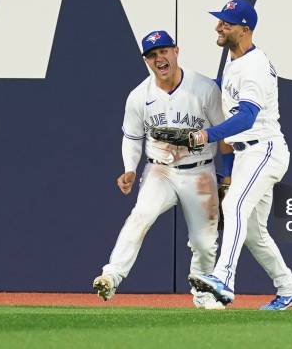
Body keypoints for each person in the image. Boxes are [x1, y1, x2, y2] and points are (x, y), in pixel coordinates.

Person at [187, 0, 292, 310]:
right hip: (246, 155)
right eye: (220, 21)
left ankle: (223, 278)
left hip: (263, 150)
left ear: (245, 29)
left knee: (234, 205)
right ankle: (290, 288)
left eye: (226, 23)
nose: (219, 27)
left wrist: (206, 135)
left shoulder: (254, 66)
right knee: (254, 233)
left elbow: (246, 117)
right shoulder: (235, 60)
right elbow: (222, 91)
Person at [93, 30, 225, 309]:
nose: (159, 58)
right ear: (147, 61)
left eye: (163, 51)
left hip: (200, 171)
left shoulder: (204, 88)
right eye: (152, 55)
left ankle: (202, 293)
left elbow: (224, 135)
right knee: (141, 215)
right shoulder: (139, 96)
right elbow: (132, 137)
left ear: (176, 51)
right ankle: (110, 276)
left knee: (204, 241)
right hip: (160, 171)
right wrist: (129, 169)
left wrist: (227, 174)